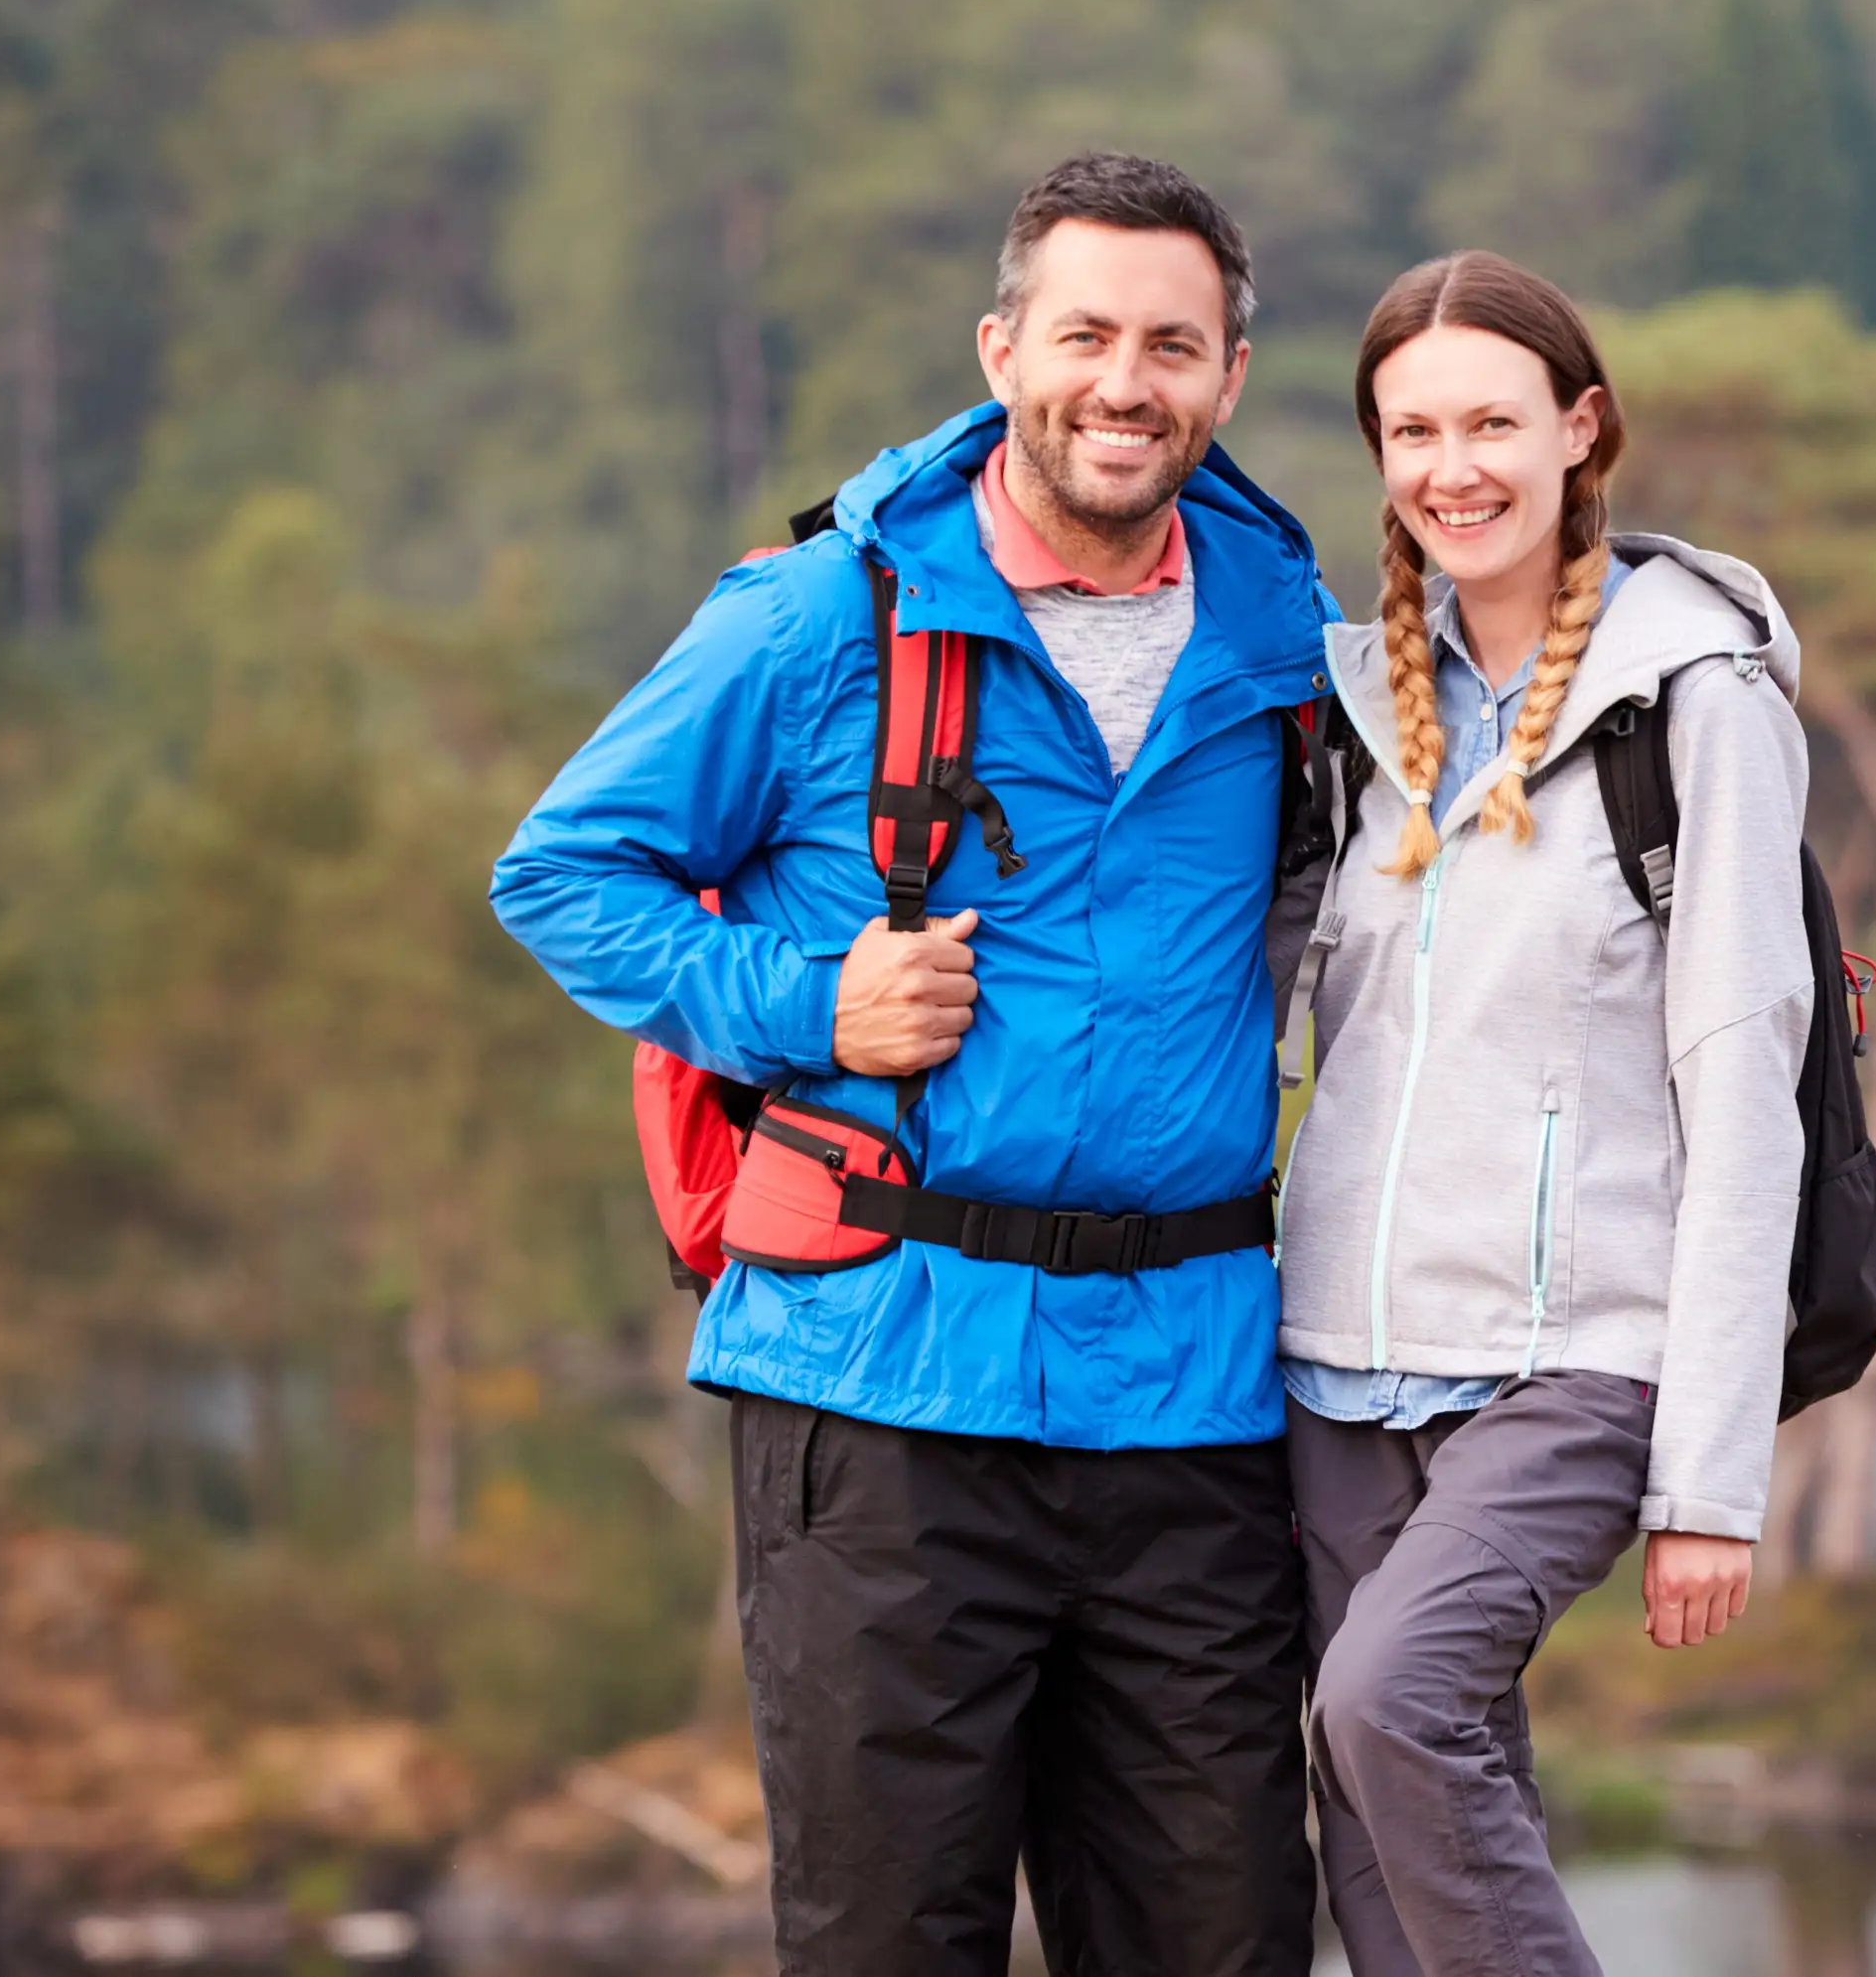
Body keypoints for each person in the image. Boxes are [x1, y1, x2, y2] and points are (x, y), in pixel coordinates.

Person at [489, 153, 1335, 1977]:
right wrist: (811, 1006)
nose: (1126, 383)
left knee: (1227, 1944)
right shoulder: (817, 616)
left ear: (1230, 378)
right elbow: (558, 875)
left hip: (1193, 1408)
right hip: (880, 1396)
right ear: (1002, 348)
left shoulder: (1290, 634)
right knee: (888, 1945)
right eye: (1086, 335)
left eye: (1172, 345)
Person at [1274, 248, 1806, 1977]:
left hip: (1580, 1356)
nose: (1456, 469)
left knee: (1388, 1699)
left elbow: (1749, 1094)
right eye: (1414, 432)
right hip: (1340, 1359)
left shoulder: (1696, 701)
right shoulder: (1355, 710)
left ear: (1582, 428)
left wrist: (1709, 1481)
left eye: (1494, 423)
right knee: (1369, 1800)